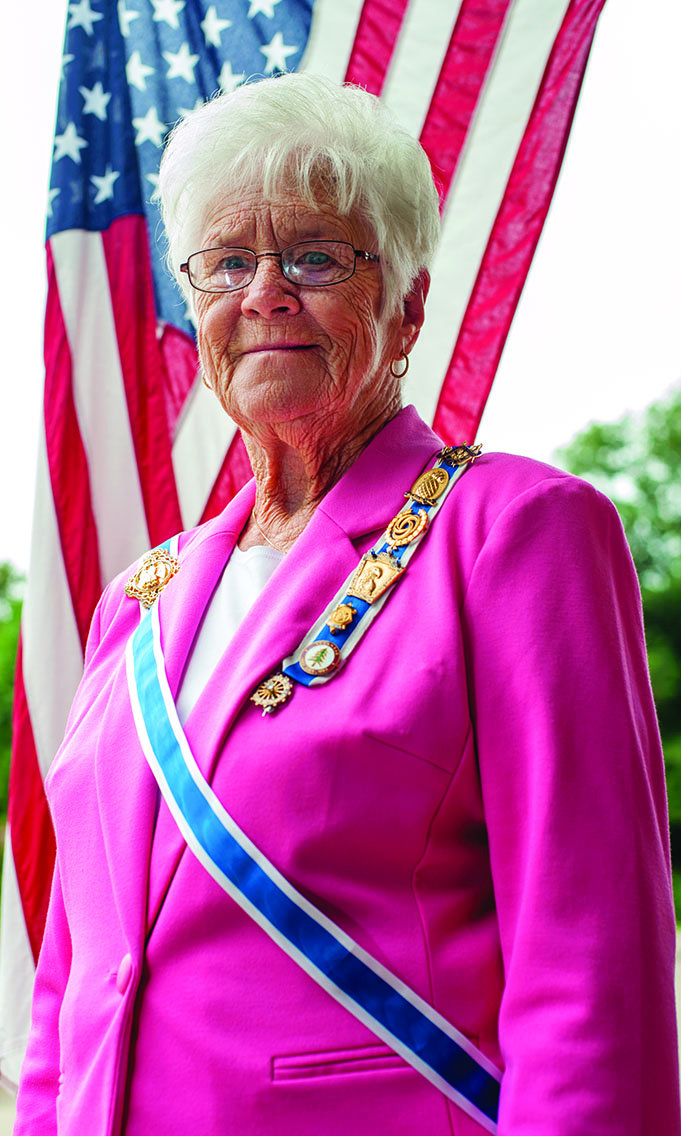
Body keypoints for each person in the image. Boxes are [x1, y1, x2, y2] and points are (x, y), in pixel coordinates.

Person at [15, 73, 680, 1135]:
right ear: (196, 307)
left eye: (315, 256)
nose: (265, 291)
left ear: (409, 302)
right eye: (229, 262)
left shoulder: (510, 532)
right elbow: (74, 980)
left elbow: (592, 955)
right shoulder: (138, 601)